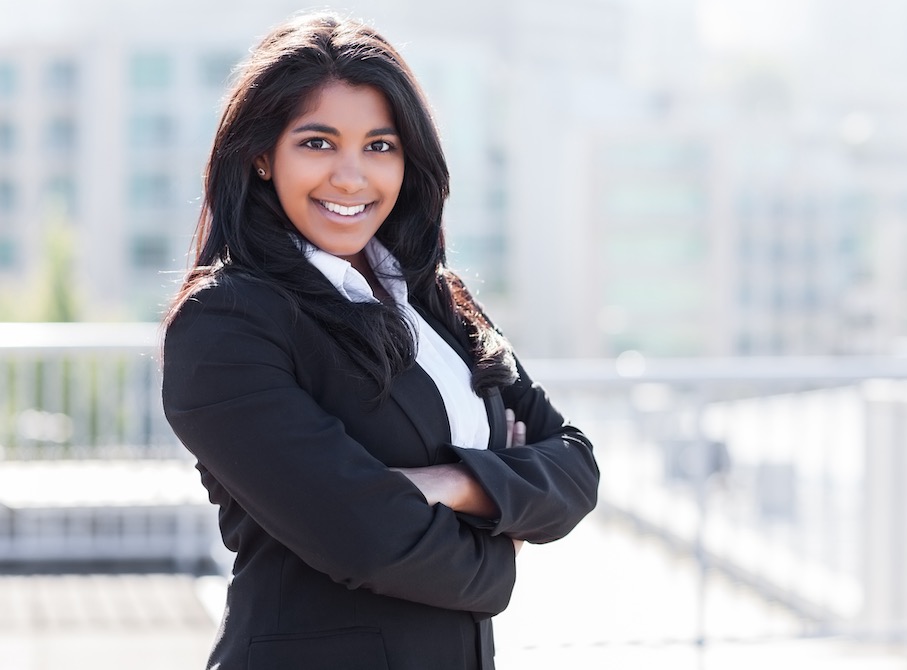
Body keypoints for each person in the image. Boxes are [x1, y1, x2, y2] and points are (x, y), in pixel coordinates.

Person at [161, 12, 600, 670]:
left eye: (379, 145)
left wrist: (450, 484)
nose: (350, 176)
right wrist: (500, 554)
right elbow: (366, 540)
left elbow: (574, 467)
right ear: (260, 155)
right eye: (317, 143)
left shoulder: (438, 300)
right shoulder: (226, 323)